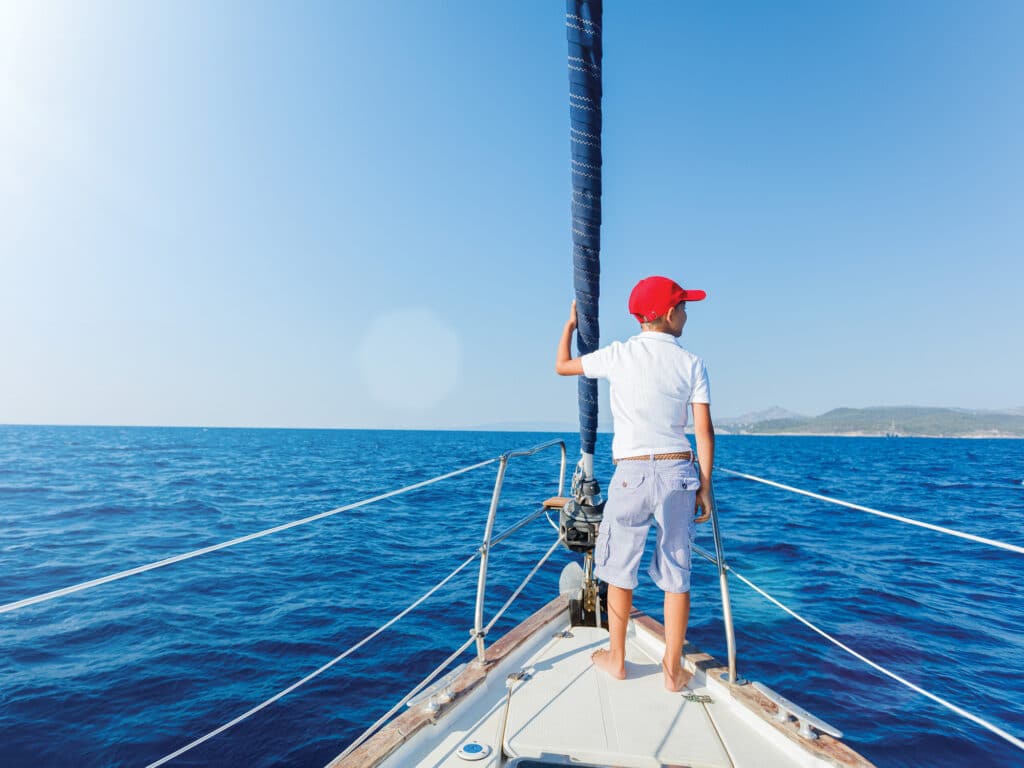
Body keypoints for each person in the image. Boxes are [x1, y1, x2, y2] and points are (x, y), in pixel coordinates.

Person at [555, 275, 714, 692]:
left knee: (619, 570)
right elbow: (704, 431)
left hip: (631, 474)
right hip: (679, 471)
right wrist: (706, 485)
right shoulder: (692, 363)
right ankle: (672, 670)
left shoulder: (619, 355)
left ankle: (617, 659)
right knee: (677, 573)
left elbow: (562, 366)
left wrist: (571, 327)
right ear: (665, 313)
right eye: (682, 306)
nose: (685, 313)